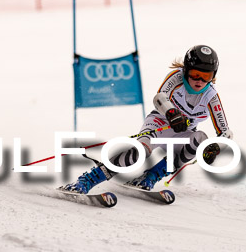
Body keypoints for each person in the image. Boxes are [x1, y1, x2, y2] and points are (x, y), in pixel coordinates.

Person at [62, 44, 233, 193]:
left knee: (200, 139)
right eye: (195, 74)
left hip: (182, 134)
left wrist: (215, 147)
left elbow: (225, 132)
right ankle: (87, 180)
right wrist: (172, 113)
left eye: (206, 77)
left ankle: (150, 176)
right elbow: (159, 98)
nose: (200, 81)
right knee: (138, 154)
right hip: (159, 124)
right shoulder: (177, 78)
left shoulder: (211, 96)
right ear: (187, 70)